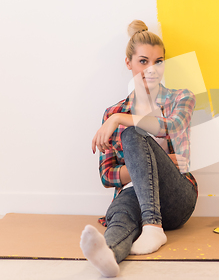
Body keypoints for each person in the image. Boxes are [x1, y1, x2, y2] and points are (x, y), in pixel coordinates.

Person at [79, 20, 197, 277]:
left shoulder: (181, 98)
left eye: (158, 62)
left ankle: (153, 227)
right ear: (128, 63)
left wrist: (122, 121)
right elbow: (107, 175)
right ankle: (108, 255)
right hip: (134, 196)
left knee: (133, 133)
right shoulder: (112, 111)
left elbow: (173, 126)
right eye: (143, 61)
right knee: (120, 214)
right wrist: (145, 165)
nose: (151, 69)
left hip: (175, 197)